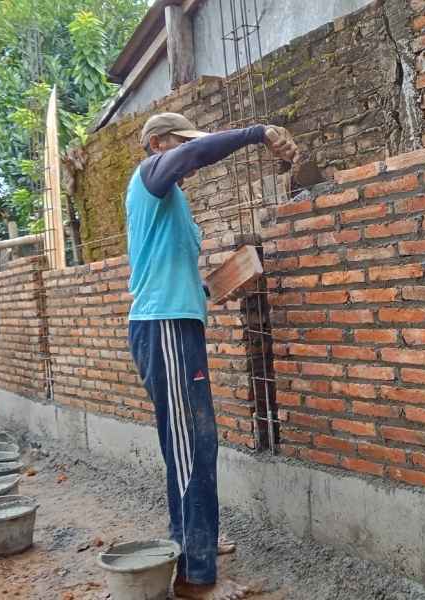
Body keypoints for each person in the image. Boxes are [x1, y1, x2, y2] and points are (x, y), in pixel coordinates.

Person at [126, 112, 298, 600]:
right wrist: (258, 132)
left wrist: (215, 284)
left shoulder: (171, 200)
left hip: (179, 323)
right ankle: (194, 578)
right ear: (157, 143)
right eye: (179, 144)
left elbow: (171, 272)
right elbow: (195, 153)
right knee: (189, 447)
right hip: (163, 328)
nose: (189, 157)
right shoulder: (149, 178)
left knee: (196, 444)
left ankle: (192, 543)